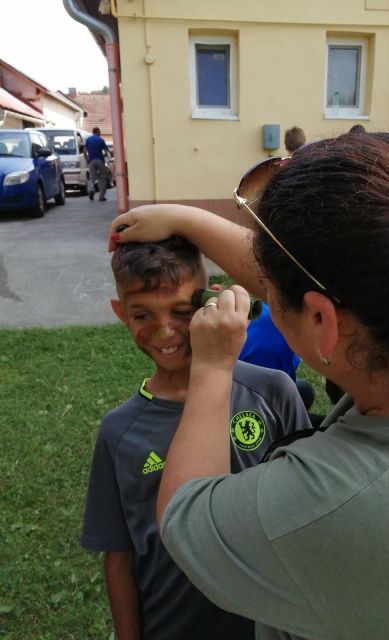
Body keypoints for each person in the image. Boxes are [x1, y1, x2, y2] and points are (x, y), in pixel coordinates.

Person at [108, 132, 389, 639]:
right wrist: (185, 219)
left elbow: (184, 514)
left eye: (272, 291)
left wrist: (212, 367)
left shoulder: (327, 505)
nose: (262, 290)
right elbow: (326, 283)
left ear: (322, 321)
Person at [80, 237, 310, 640]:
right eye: (142, 314)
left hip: (269, 625)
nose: (165, 330)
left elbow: (309, 512)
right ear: (121, 313)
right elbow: (119, 556)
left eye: (181, 311)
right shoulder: (119, 431)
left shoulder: (273, 393)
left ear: (211, 303)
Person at [84, 126, 108, 202]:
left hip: (91, 160)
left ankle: (91, 190)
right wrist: (103, 156)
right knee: (102, 178)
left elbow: (84, 151)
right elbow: (106, 152)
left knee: (91, 177)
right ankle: (101, 196)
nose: (100, 133)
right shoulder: (101, 140)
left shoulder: (88, 140)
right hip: (100, 160)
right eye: (99, 131)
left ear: (93, 132)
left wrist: (87, 159)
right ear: (97, 132)